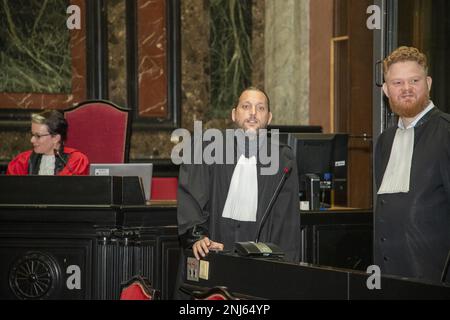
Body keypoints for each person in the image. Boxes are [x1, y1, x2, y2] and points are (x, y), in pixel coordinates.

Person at [177, 87, 301, 264]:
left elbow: (287, 222)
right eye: (246, 106)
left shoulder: (282, 158)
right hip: (213, 249)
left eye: (260, 108)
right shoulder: (208, 148)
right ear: (234, 114)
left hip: (259, 260)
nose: (253, 113)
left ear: (269, 118)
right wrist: (197, 238)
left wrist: (283, 266)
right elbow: (191, 197)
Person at [374, 46, 450, 284]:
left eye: (414, 80)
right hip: (388, 277)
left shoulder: (446, 132)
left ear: (428, 82)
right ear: (386, 90)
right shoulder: (384, 141)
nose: (406, 89)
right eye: (397, 83)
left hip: (435, 279)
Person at [6, 109, 90, 176]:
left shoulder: (76, 161)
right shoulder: (22, 161)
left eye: (38, 136)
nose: (32, 140)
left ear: (55, 138)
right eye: (32, 134)